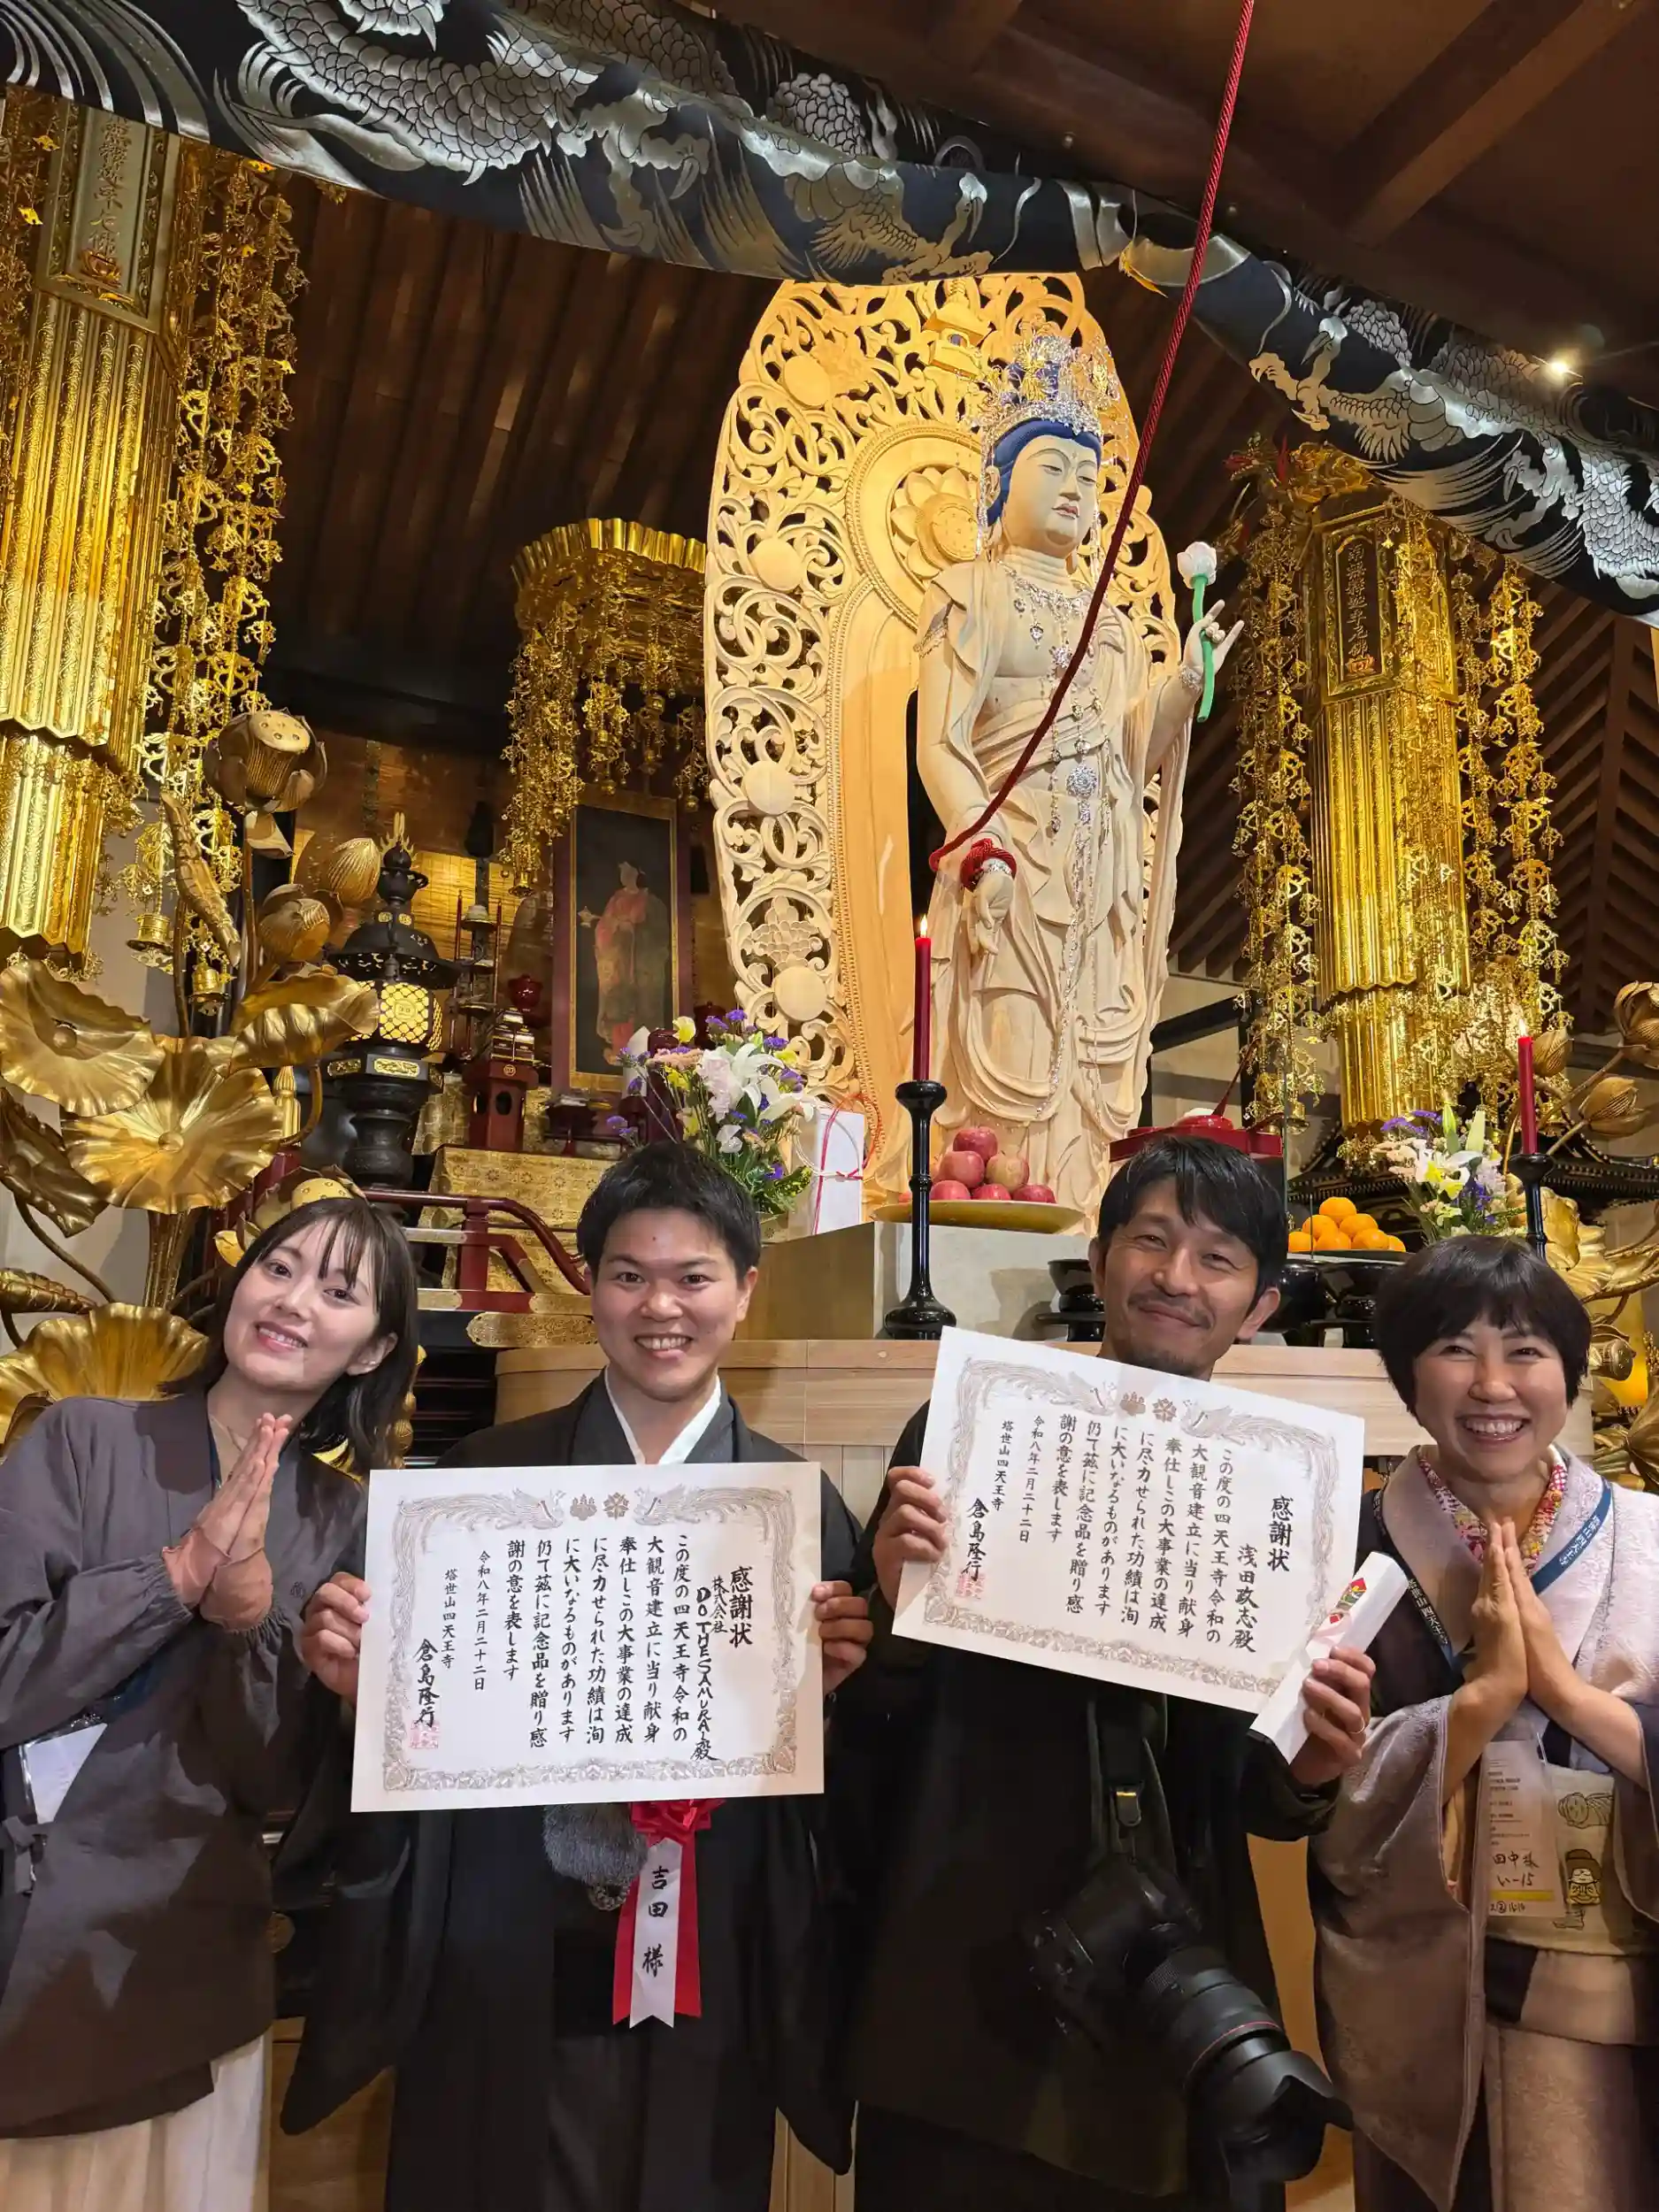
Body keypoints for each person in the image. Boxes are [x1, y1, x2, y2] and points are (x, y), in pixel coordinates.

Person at [285, 1140, 873, 2212]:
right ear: (589, 1285)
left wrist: (828, 1695)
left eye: (694, 1277)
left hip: (714, 1942)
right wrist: (361, 1691)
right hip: (501, 1935)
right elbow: (413, 1732)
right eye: (629, 1275)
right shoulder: (479, 1480)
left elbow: (843, 1782)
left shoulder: (795, 1508)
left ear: (746, 1290)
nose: (662, 1307)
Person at [832, 1132, 1374, 2212]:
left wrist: (1313, 1763)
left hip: (1176, 1982)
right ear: (1100, 1259)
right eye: (1152, 1241)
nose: (1177, 1277)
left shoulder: (1288, 1493)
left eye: (1217, 1259)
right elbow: (873, 1720)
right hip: (965, 1962)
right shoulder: (968, 1428)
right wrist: (889, 1607)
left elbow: (1260, 1799)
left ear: (1260, 1305)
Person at [0, 1194, 418, 2212]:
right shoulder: (80, 1437)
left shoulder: (346, 1518)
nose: (294, 1301)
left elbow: (268, 1781)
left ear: (372, 1350)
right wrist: (175, 1576)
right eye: (279, 1268)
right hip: (38, 1938)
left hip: (196, 1955)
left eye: (338, 1291)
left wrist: (298, 1666)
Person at [1312, 1236, 1659, 2212]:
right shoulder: (1348, 1544)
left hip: (1621, 1985)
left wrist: (1568, 1694)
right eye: (1456, 1349)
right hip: (1427, 1991)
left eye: (1526, 1351)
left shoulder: (1648, 1538)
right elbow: (1305, 1787)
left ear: (1570, 1372)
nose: (1493, 1385)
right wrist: (1478, 1704)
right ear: (1407, 1377)